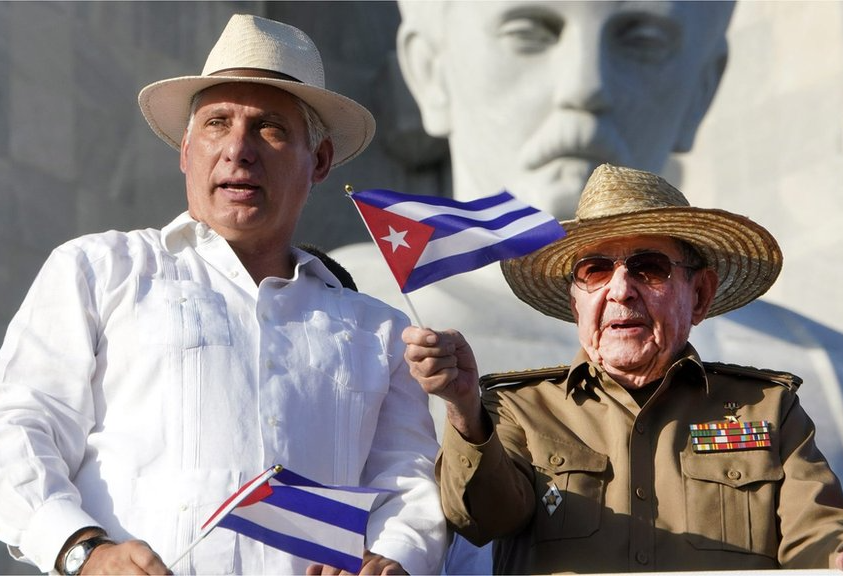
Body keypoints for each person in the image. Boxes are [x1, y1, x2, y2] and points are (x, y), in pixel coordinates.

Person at [0, 14, 446, 576]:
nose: (239, 149)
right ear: (186, 150)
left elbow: (407, 480)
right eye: (217, 123)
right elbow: (17, 426)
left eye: (269, 128)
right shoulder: (99, 270)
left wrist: (391, 560)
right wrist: (84, 551)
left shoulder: (377, 330)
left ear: (321, 162)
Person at [403, 164, 843, 574]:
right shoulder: (518, 407)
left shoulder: (766, 408)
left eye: (649, 268)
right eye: (594, 270)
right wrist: (463, 410)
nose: (620, 290)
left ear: (700, 295)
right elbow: (482, 519)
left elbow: (819, 540)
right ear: (575, 302)